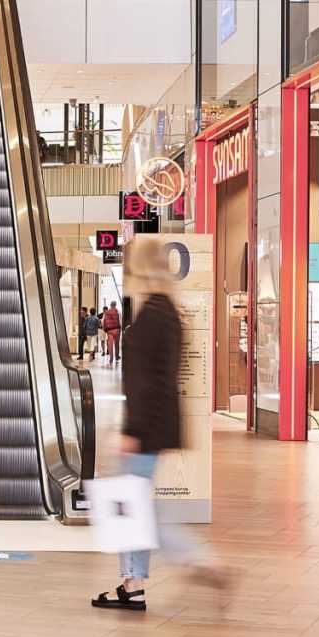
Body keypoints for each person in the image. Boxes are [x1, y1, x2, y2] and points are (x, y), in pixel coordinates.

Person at [92, 235, 226, 612]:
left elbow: (146, 384)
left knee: (141, 511)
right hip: (158, 426)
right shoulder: (168, 312)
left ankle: (201, 560)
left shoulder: (151, 317)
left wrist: (131, 432)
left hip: (144, 430)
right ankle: (132, 583)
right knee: (137, 505)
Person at [102, 299, 122, 364]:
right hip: (117, 330)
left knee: (110, 344)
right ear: (115, 305)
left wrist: (104, 329)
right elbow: (120, 320)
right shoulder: (118, 311)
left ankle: (111, 358)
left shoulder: (106, 312)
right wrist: (121, 328)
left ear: (110, 305)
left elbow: (103, 321)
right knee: (117, 344)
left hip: (109, 330)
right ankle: (116, 356)